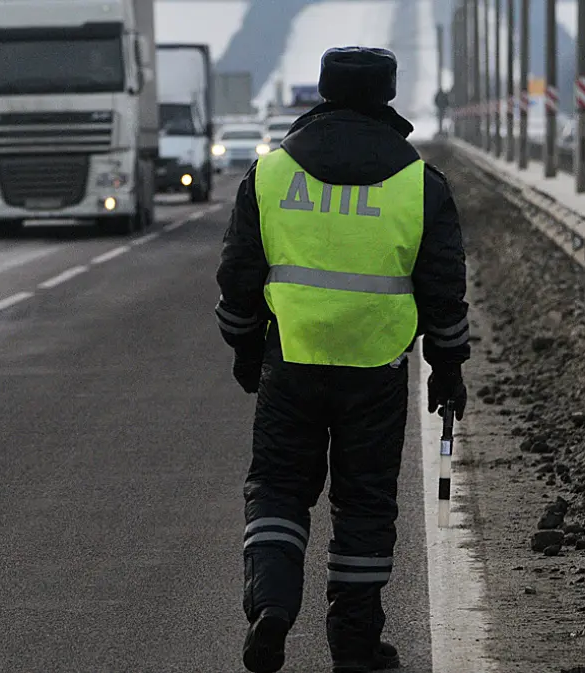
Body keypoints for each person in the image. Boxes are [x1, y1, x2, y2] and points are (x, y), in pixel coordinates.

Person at [214, 47, 470, 673]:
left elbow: (238, 277)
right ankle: (355, 644)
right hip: (376, 370)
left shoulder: (270, 173)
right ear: (388, 94)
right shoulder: (419, 182)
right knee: (365, 503)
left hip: (292, 364)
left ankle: (272, 607)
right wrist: (448, 364)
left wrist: (248, 349)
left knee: (277, 488)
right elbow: (443, 289)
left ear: (323, 91)